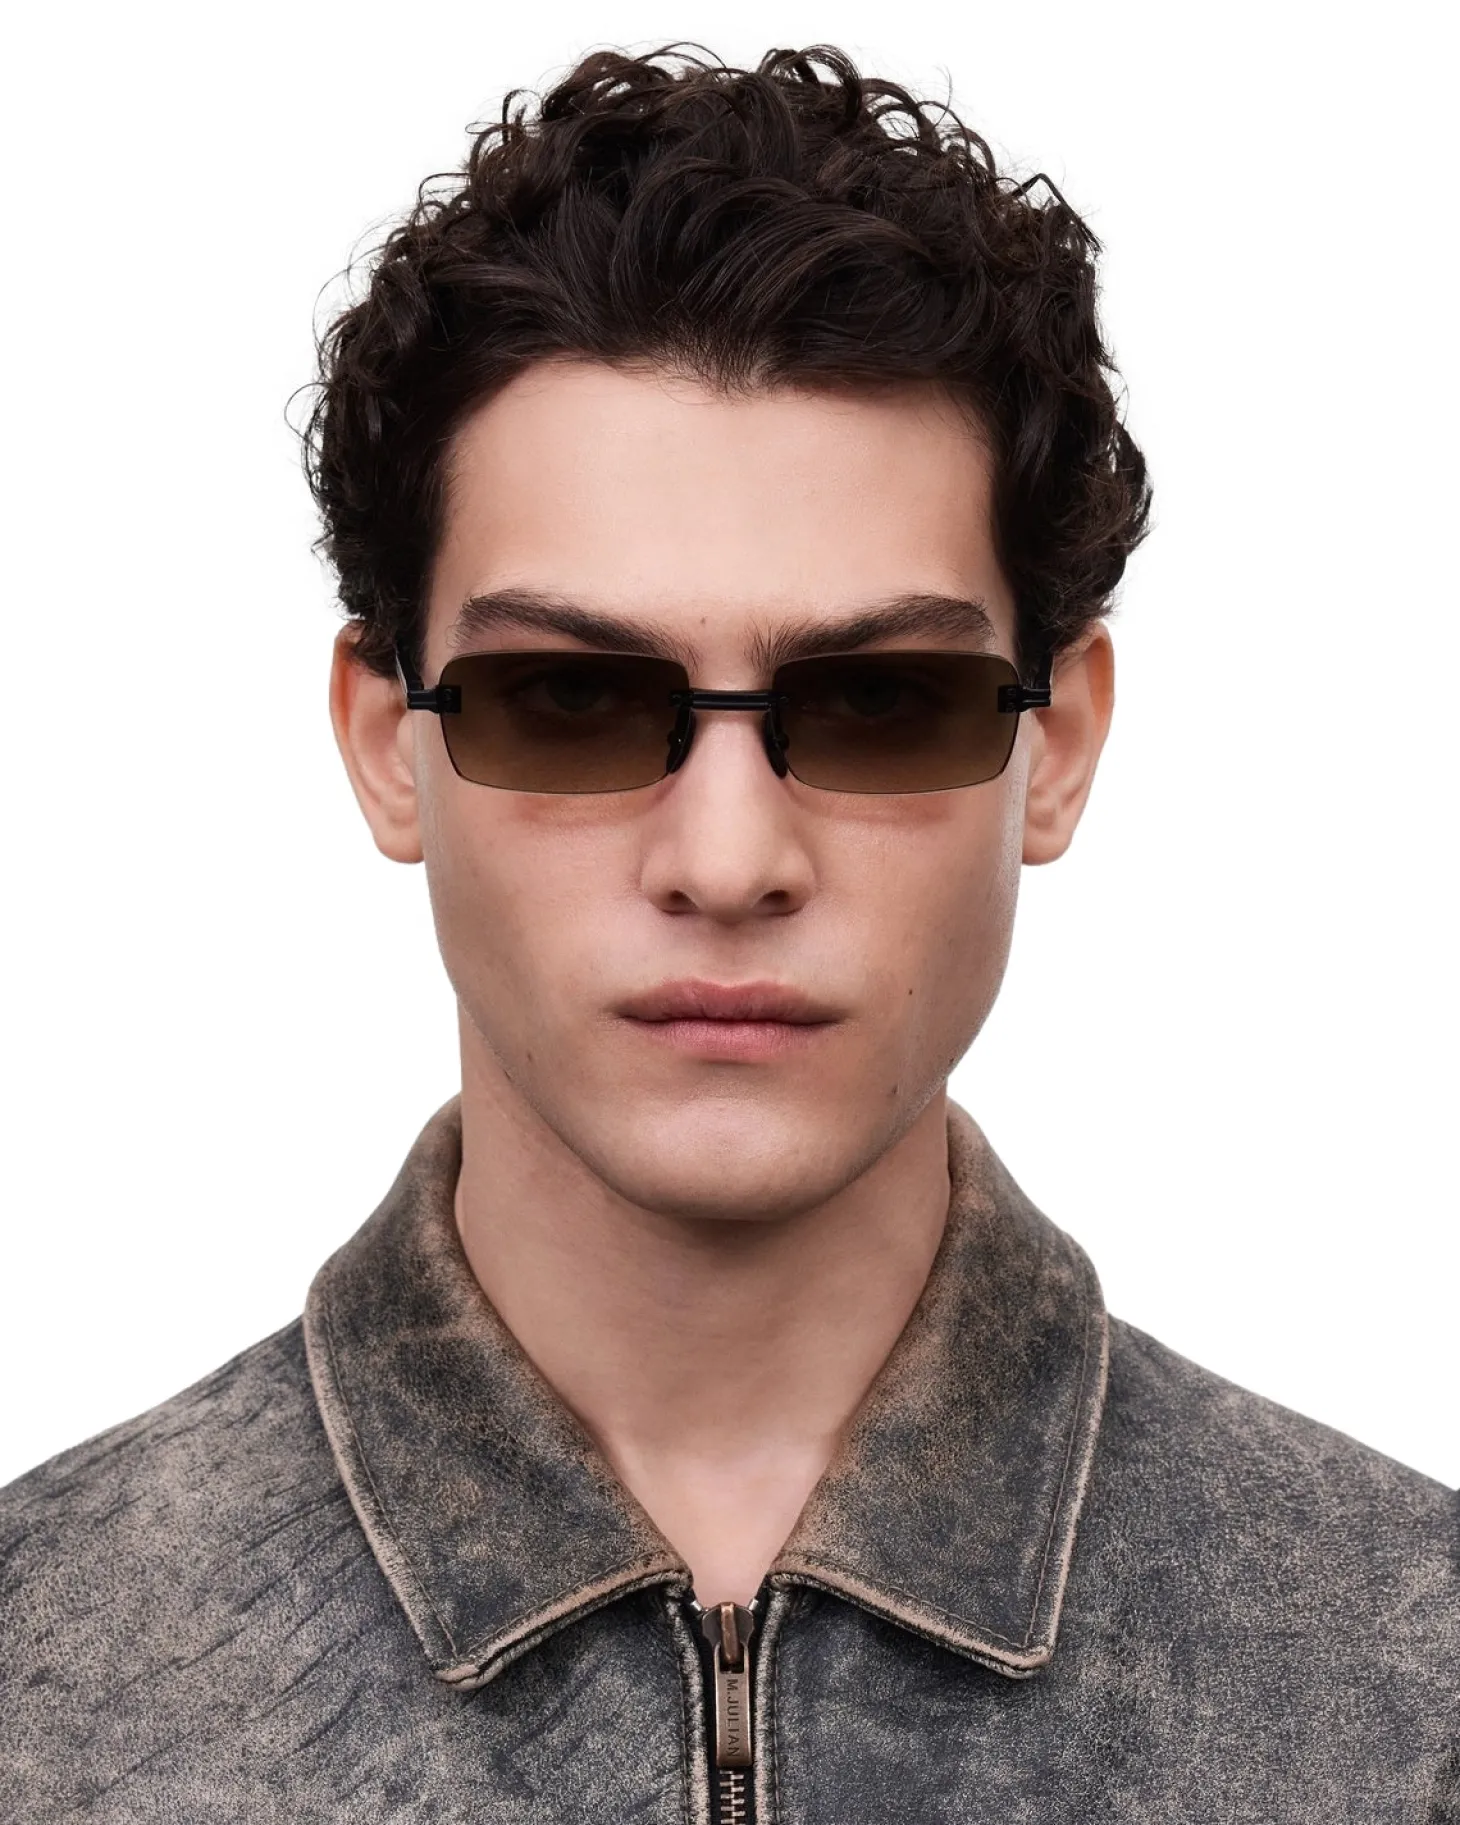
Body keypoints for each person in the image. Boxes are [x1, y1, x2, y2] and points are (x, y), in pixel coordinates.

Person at [1, 42, 1454, 1824]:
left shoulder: (1411, 1689)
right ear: (388, 744)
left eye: (880, 701)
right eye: (568, 698)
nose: (729, 855)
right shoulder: (39, 1689)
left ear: (1058, 746)